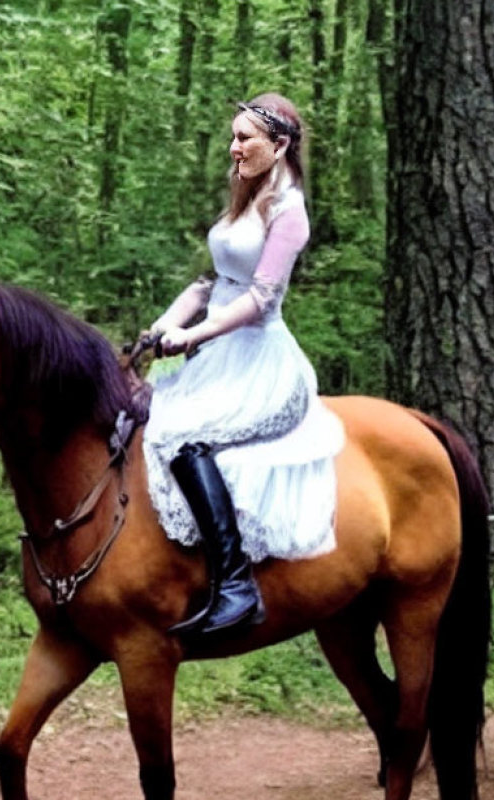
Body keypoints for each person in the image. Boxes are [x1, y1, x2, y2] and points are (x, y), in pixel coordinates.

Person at [142, 93, 343, 637]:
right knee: (140, 413)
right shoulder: (242, 196)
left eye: (244, 139)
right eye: (233, 137)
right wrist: (164, 325)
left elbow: (257, 300)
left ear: (279, 146)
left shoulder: (289, 212)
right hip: (214, 347)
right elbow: (210, 283)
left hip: (259, 357)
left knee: (186, 441)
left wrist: (191, 337)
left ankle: (235, 585)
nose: (233, 149)